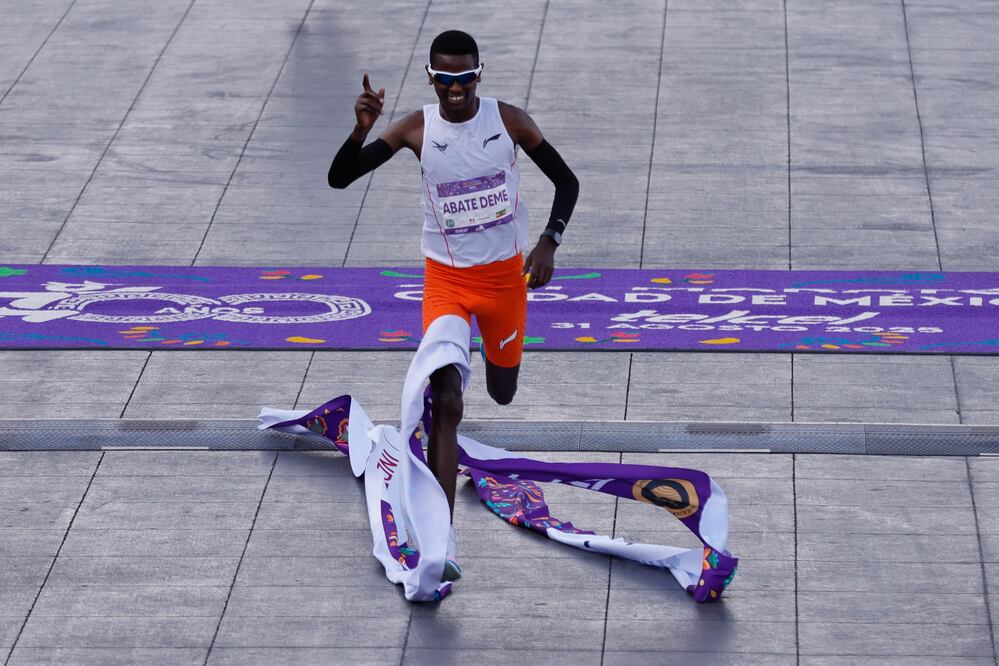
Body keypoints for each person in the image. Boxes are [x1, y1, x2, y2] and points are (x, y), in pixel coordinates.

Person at [328, 29, 578, 581]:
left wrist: (549, 241)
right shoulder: (417, 128)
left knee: (502, 393)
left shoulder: (509, 121)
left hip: (504, 284)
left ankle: (495, 361)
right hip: (445, 282)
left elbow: (567, 181)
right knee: (447, 400)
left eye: (466, 77)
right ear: (432, 78)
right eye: (446, 79)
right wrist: (361, 129)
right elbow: (340, 178)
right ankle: (441, 538)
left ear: (478, 74)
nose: (456, 88)